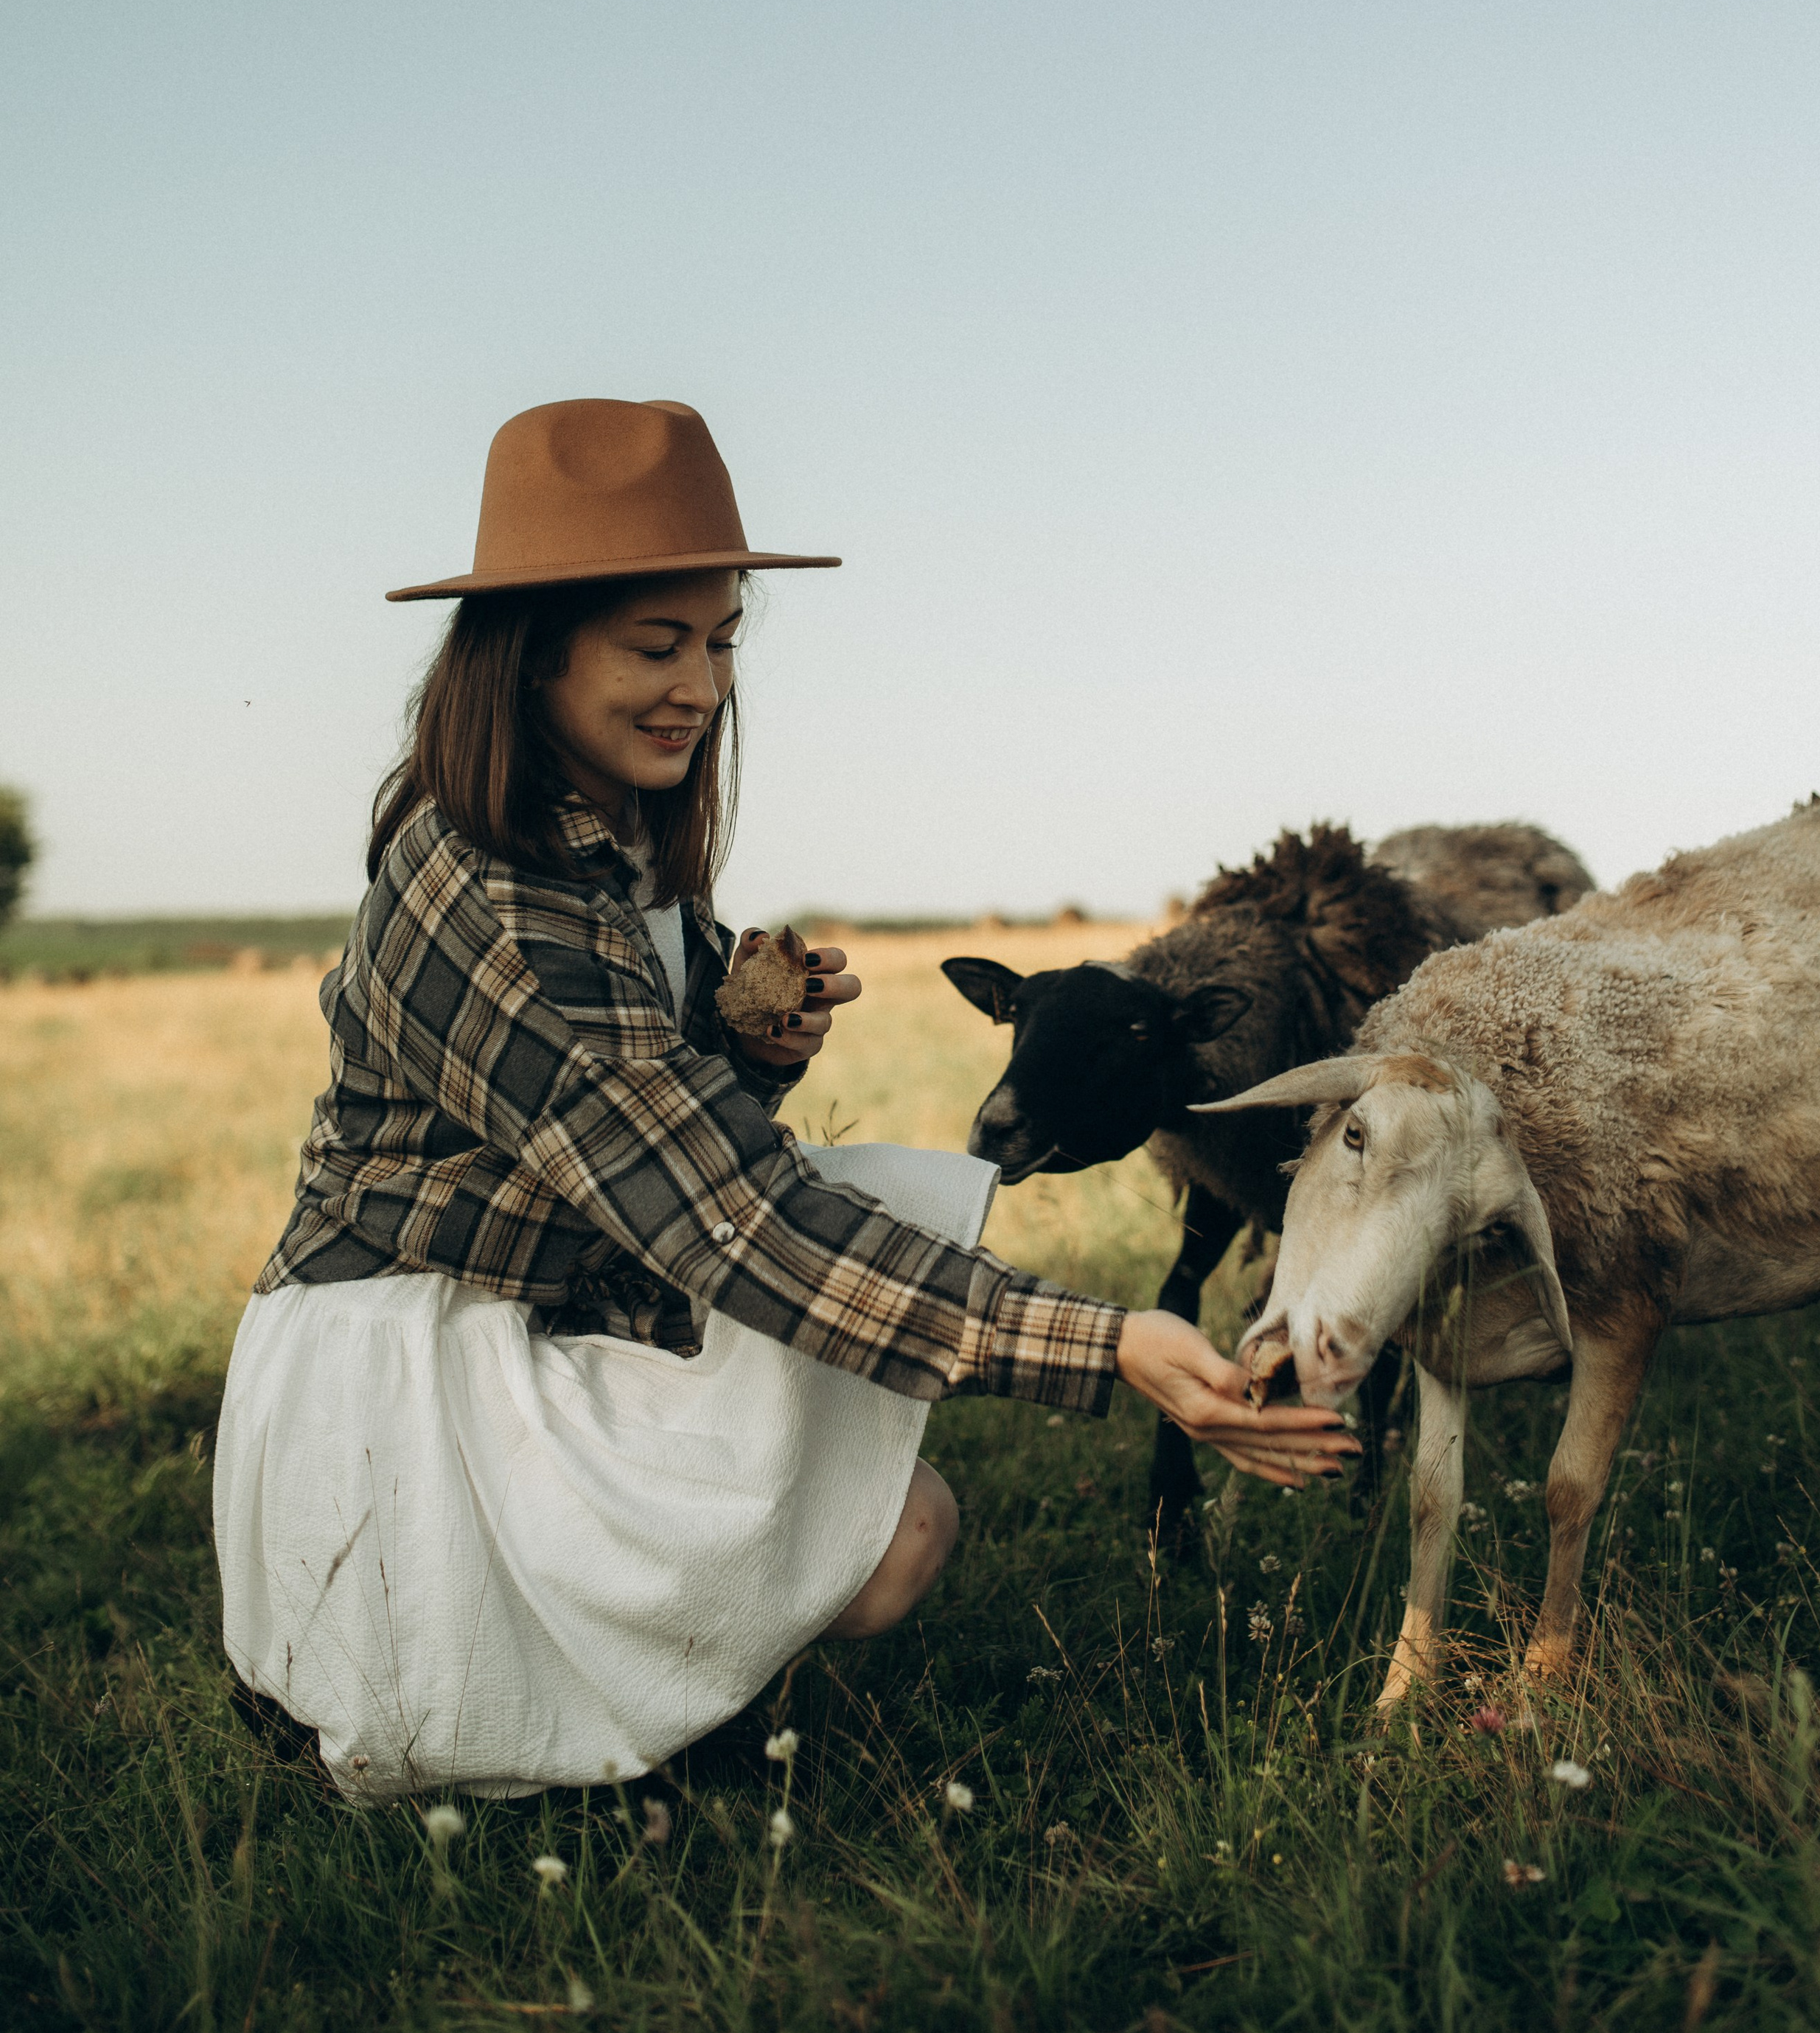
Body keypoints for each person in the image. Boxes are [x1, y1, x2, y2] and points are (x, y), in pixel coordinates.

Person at [214, 398, 1353, 1796]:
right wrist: (1107, 1341)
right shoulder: (497, 896)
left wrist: (746, 1052)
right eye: (656, 644)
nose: (701, 683)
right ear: (531, 653)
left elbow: (637, 1125)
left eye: (721, 639)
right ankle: (430, 1670)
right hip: (419, 1358)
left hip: (569, 1291)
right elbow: (726, 1220)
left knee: (896, 1530)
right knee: (867, 1519)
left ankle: (637, 1691)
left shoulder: (613, 841)